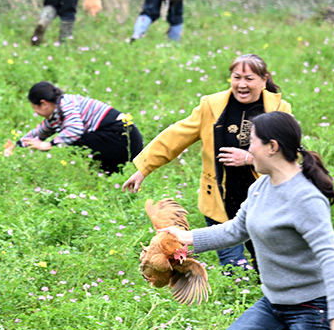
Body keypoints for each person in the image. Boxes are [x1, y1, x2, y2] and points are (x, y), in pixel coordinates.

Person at [159, 112, 334, 330]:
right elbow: (235, 230)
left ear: (273, 147)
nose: (248, 149)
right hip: (275, 304)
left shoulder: (305, 198)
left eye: (252, 142)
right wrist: (187, 238)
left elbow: (331, 258)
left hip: (312, 308)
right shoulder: (262, 186)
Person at [122, 54, 291, 267]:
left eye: (249, 78)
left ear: (263, 80)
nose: (241, 84)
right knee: (233, 267)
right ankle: (237, 293)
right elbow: (176, 136)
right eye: (236, 77)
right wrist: (144, 168)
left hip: (262, 199)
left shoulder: (279, 109)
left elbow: (287, 150)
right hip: (220, 200)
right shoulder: (212, 106)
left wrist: (249, 158)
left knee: (266, 264)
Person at [6, 81, 144, 174]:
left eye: (35, 108)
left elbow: (75, 129)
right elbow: (39, 133)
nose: (35, 112)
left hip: (123, 137)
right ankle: (106, 182)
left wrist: (49, 144)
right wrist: (16, 146)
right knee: (105, 173)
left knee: (76, 142)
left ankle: (102, 177)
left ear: (44, 104)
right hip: (114, 139)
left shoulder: (66, 105)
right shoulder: (56, 113)